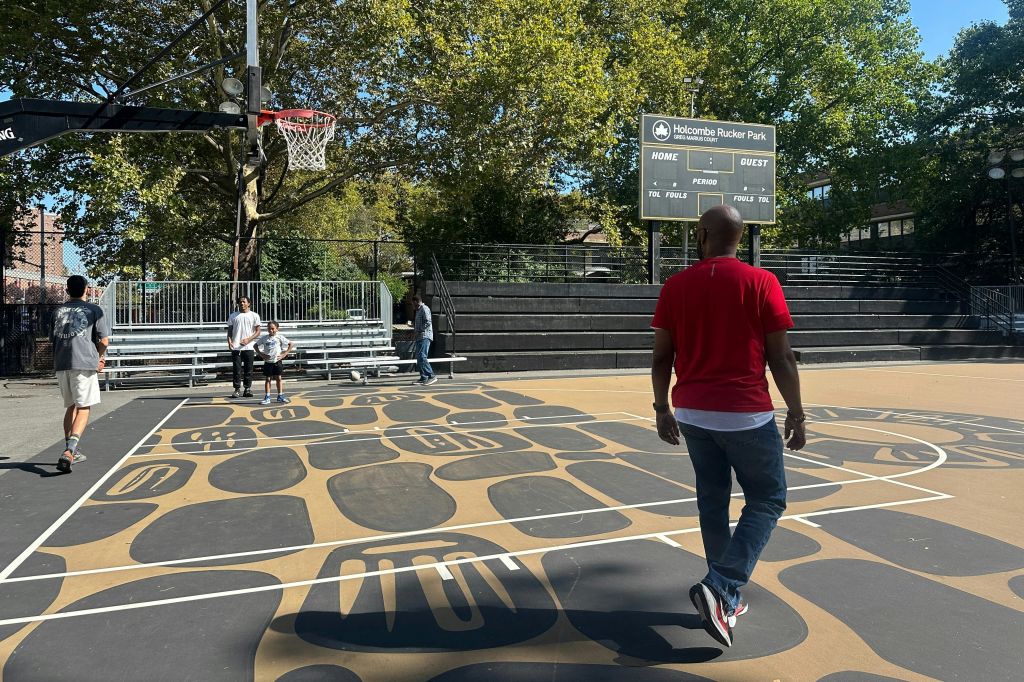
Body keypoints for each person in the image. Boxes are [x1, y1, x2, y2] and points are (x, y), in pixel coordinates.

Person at [650, 204, 807, 648]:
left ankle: (726, 595)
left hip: (694, 413)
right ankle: (722, 585)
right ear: (739, 238)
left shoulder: (676, 286)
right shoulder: (762, 282)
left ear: (702, 235)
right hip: (746, 413)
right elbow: (781, 357)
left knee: (712, 502)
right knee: (768, 499)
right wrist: (796, 413)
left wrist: (662, 407)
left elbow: (663, 356)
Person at [51, 275, 111, 473]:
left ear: (67, 291)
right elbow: (103, 341)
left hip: (62, 362)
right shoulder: (94, 310)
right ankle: (70, 451)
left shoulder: (57, 311)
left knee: (71, 407)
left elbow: (54, 337)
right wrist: (100, 358)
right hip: (83, 362)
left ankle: (71, 449)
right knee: (84, 407)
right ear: (86, 289)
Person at [226, 296, 261, 398]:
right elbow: (229, 332)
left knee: (248, 369)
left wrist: (248, 340)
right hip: (236, 347)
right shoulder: (233, 316)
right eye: (240, 302)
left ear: (248, 303)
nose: (242, 304)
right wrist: (229, 342)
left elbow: (258, 331)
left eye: (244, 302)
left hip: (249, 347)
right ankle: (237, 389)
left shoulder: (254, 315)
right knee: (236, 369)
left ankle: (247, 388)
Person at [254, 321, 294, 405]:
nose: (271, 330)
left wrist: (284, 354)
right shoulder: (264, 338)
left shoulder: (280, 337)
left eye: (272, 329)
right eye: (269, 328)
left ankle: (280, 396)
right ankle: (267, 397)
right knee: (268, 379)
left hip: (277, 361)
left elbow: (291, 344)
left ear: (277, 329)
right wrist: (261, 354)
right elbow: (255, 346)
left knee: (278, 378)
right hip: (268, 362)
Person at [412, 294, 437, 385]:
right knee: (419, 358)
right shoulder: (418, 311)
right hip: (419, 337)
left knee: (422, 356)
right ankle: (424, 377)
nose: (412, 306)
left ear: (416, 302)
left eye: (413, 303)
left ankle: (431, 375)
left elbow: (428, 322)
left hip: (425, 336)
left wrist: (419, 330)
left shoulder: (425, 309)